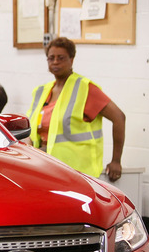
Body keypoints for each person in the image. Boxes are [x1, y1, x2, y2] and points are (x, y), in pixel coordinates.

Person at [26, 36, 126, 181]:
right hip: (47, 167)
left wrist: (116, 160)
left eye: (61, 58)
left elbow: (119, 117)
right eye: (51, 58)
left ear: (71, 60)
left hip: (77, 172)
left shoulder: (84, 88)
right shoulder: (42, 91)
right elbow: (31, 130)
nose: (55, 62)